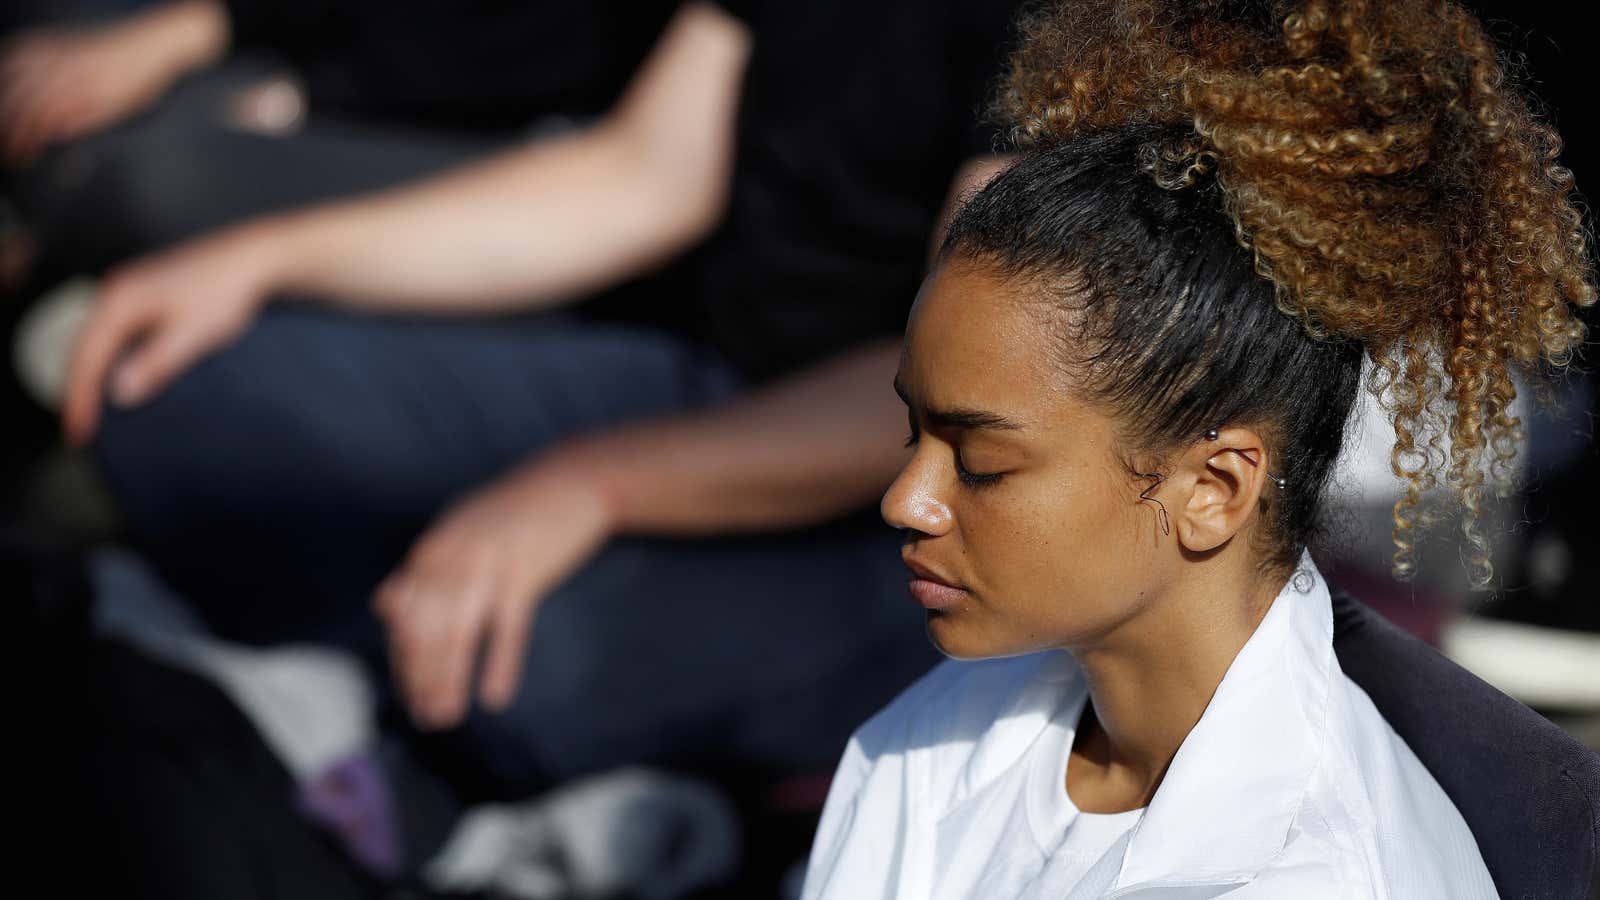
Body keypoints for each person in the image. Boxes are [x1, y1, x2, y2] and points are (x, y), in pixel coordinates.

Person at [61, 0, 1020, 791]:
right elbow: (641, 177)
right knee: (169, 392)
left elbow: (964, 385)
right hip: (698, 376)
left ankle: (721, 802)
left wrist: (583, 487)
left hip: (913, 508)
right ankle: (349, 692)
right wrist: (262, 262)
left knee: (509, 673)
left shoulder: (1075, 37)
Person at [799, 0, 1593, 896]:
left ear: (1214, 489)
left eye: (979, 460)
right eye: (914, 432)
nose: (906, 498)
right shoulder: (929, 747)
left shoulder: (1315, 875)